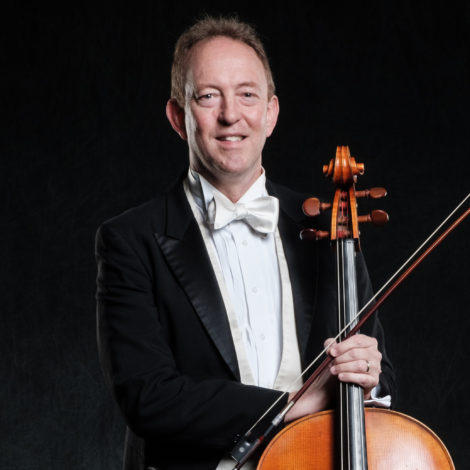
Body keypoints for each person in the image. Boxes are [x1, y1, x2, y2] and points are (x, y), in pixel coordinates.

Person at [96, 15, 395, 470]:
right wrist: (289, 406)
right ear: (178, 118)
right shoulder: (130, 240)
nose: (230, 115)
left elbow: (383, 373)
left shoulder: (331, 229)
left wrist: (369, 379)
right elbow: (148, 396)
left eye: (247, 95)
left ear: (271, 114)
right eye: (208, 95)